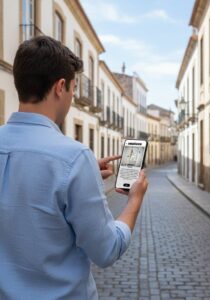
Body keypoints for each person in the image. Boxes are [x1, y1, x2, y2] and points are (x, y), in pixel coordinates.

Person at [0, 36, 148, 299]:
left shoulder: (77, 162)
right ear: (60, 87)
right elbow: (107, 250)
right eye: (73, 88)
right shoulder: (74, 157)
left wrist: (84, 171)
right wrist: (134, 201)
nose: (71, 97)